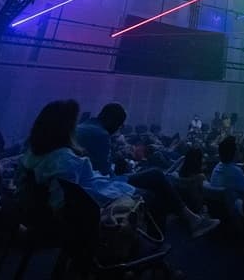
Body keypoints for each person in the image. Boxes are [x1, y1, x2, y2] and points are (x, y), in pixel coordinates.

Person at [18, 100, 219, 238]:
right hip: (89, 199)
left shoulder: (35, 155)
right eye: (119, 125)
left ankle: (186, 222)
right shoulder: (98, 135)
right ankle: (156, 245)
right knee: (156, 185)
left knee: (156, 177)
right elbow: (103, 175)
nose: (118, 129)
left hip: (70, 199)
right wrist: (121, 176)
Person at [75, 102, 127, 175]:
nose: (117, 129)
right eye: (119, 125)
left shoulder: (83, 125)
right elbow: (103, 171)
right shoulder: (101, 135)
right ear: (113, 121)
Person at [210, 135, 244, 199]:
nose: (239, 152)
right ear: (234, 153)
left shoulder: (216, 167)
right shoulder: (236, 172)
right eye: (238, 149)